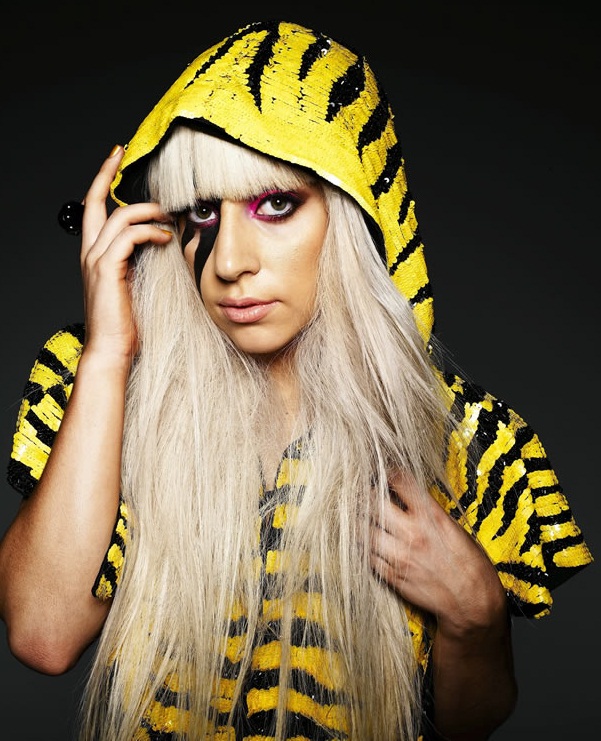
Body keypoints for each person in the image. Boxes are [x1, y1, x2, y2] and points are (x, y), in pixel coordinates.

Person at [0, 19, 592, 741]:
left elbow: (469, 727)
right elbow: (44, 633)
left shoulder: (465, 441)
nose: (229, 262)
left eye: (275, 203)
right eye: (200, 212)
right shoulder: (111, 398)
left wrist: (476, 614)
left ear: (353, 211)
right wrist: (107, 355)